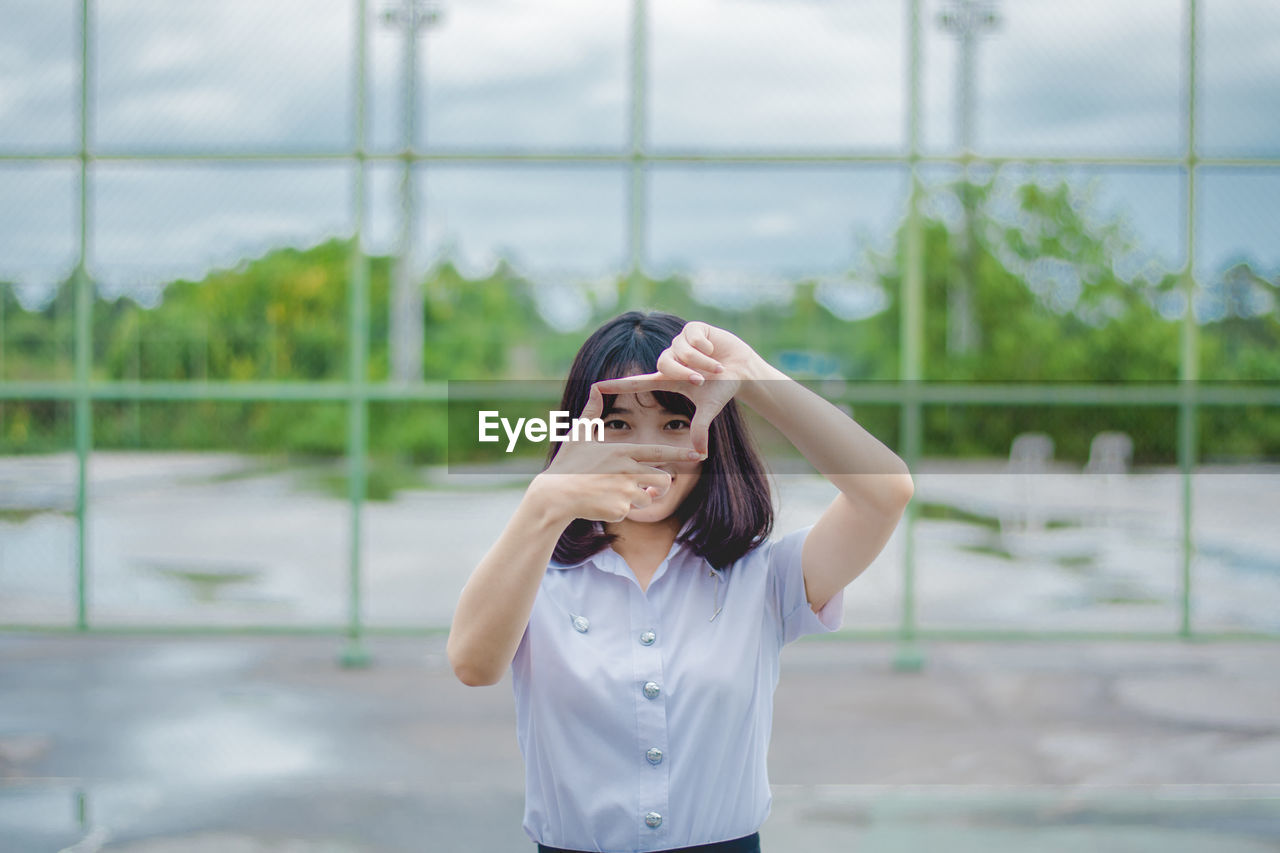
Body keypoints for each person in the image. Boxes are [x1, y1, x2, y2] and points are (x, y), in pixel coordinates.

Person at [447, 311, 913, 853]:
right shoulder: (535, 567)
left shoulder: (761, 573)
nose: (649, 451)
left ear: (714, 431)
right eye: (618, 424)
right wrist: (545, 501)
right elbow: (472, 665)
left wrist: (748, 373)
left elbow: (885, 493)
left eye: (675, 423)